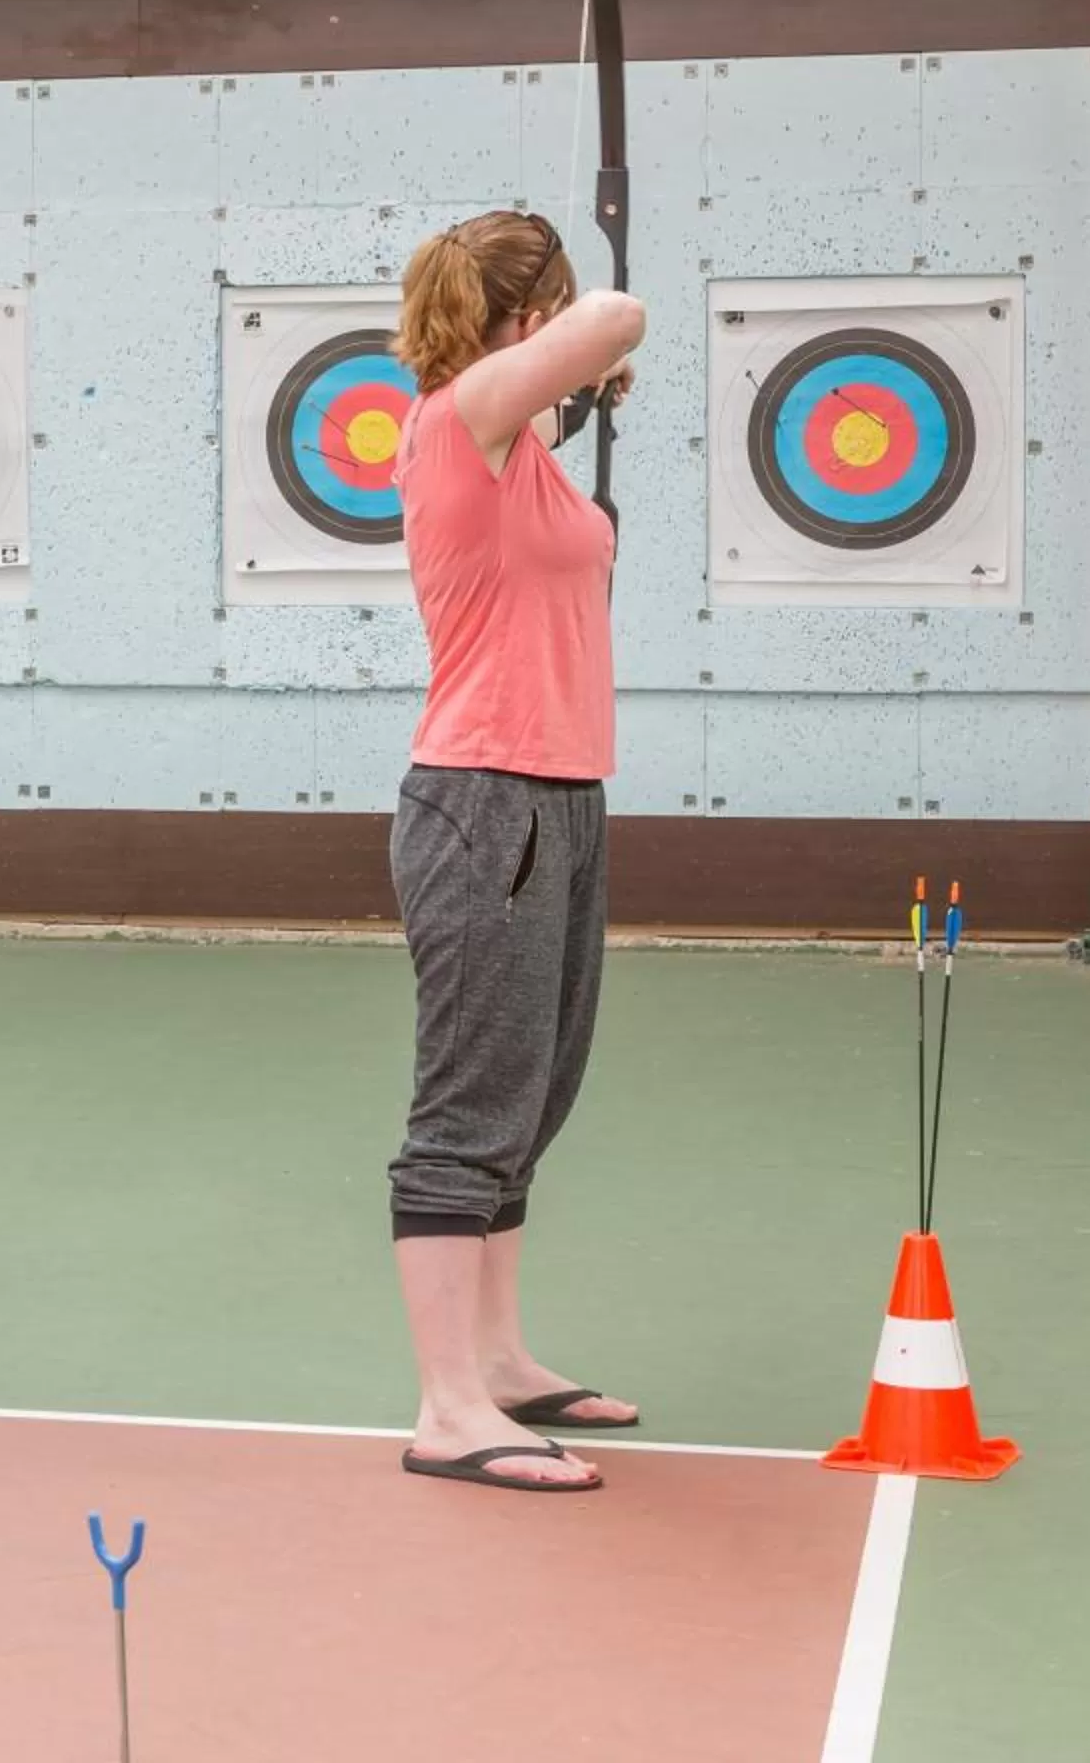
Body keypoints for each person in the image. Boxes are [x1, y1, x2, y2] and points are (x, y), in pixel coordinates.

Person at [383, 209, 645, 1491]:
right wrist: (586, 343)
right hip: (485, 800)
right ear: (529, 316)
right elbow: (619, 319)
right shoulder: (455, 418)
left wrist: (575, 384)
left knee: (534, 1096)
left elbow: (571, 377)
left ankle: (497, 1358)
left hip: (559, 796)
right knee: (470, 1106)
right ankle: (446, 1408)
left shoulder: (515, 436)